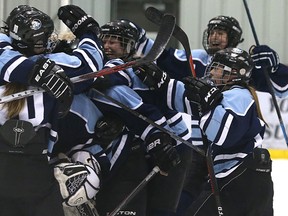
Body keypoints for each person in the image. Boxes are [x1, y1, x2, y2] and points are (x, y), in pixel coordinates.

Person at [139, 47, 273, 215]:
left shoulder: (239, 95)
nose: (212, 72)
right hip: (249, 177)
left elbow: (223, 135)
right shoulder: (222, 96)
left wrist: (208, 102)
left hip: (239, 176)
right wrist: (162, 81)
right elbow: (185, 100)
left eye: (218, 68)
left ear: (234, 74)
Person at [0, 4, 104, 216]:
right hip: (35, 172)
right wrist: (89, 31)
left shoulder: (5, 62)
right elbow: (92, 64)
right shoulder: (54, 66)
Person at [98, 18, 195, 215]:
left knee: (160, 210)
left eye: (114, 41)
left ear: (129, 45)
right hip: (145, 145)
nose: (107, 45)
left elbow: (116, 75)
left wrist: (98, 77)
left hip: (174, 144)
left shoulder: (139, 69)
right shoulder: (106, 64)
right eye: (105, 40)